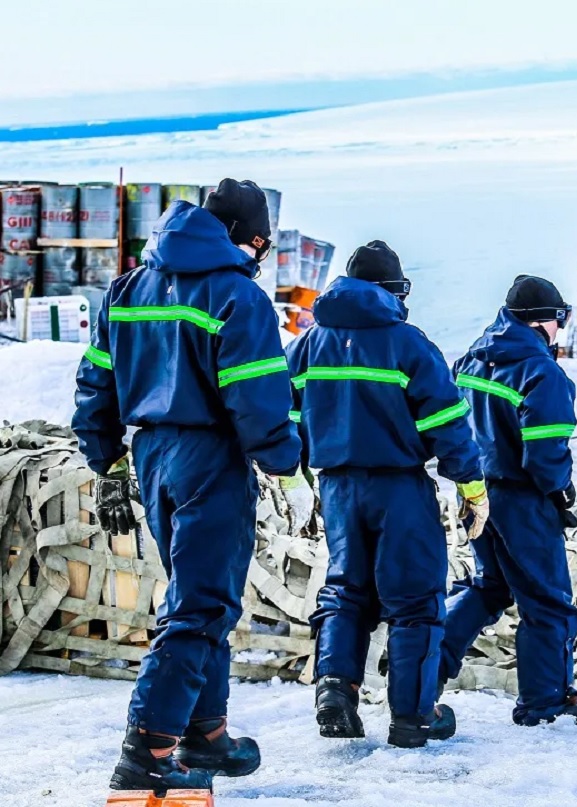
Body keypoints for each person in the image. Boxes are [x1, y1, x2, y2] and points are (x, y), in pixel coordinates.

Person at [74, 179, 311, 794]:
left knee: (199, 593)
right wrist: (286, 460)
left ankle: (207, 732)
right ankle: (147, 748)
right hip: (210, 459)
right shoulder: (237, 295)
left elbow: (95, 383)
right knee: (201, 606)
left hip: (150, 457)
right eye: (259, 242)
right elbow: (257, 398)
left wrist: (108, 460)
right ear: (247, 238)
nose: (259, 254)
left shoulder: (126, 288)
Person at [287, 240, 488, 748]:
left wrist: (298, 477)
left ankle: (335, 689)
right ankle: (413, 719)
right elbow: (447, 423)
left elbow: (284, 416)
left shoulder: (309, 344)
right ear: (395, 291)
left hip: (335, 487)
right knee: (416, 601)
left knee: (346, 591)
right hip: (399, 488)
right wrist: (471, 488)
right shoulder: (409, 343)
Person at [439, 275, 577, 727]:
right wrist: (560, 492)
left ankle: (427, 668)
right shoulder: (542, 372)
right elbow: (545, 453)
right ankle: (544, 700)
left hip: (475, 493)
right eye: (558, 320)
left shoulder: (471, 359)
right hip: (522, 500)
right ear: (543, 321)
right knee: (548, 602)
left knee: (490, 586)